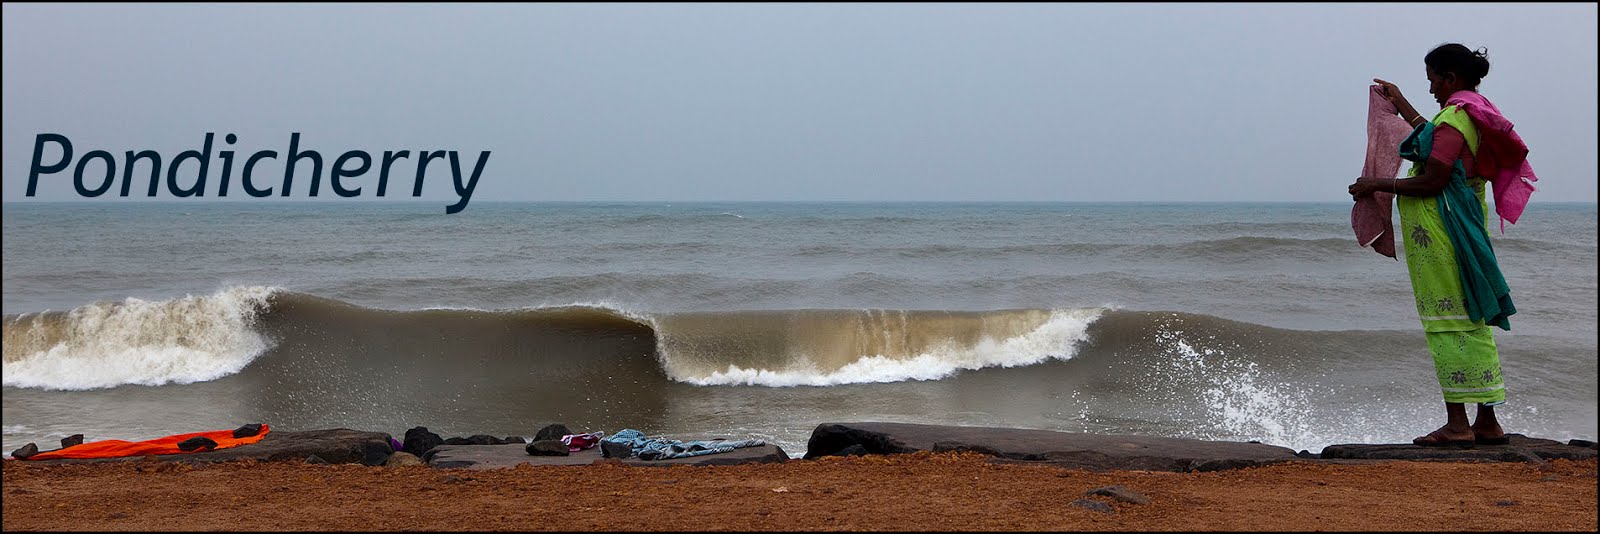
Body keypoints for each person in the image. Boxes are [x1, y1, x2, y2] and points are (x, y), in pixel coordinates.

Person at [1348, 43, 1534, 448]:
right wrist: (1400, 102)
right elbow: (1435, 139)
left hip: (1442, 234)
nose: (1431, 86)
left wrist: (1376, 184)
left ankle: (1457, 425)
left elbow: (1433, 179)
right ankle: (1487, 422)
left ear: (1450, 78)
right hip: (1464, 226)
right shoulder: (1472, 111)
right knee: (1473, 317)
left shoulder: (1454, 118)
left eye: (1433, 78)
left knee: (1446, 323)